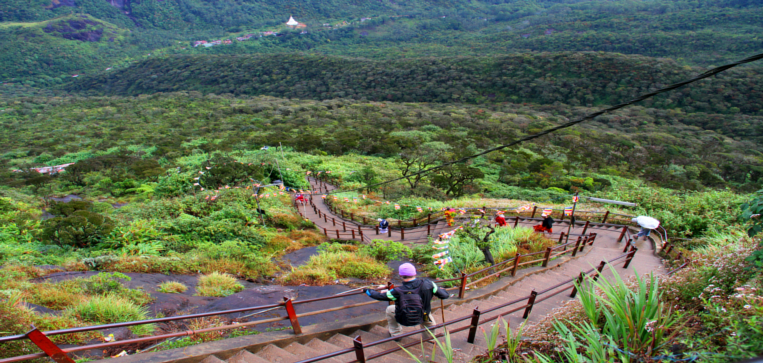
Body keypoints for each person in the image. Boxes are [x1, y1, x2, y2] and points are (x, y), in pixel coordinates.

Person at [364, 263, 450, 341]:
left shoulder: (397, 291)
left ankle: (396, 335)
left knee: (390, 309)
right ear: (415, 274)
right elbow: (444, 295)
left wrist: (367, 290)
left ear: (401, 275)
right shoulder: (429, 284)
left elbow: (378, 296)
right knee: (429, 320)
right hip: (423, 315)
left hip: (403, 317)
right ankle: (429, 339)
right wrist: (440, 289)